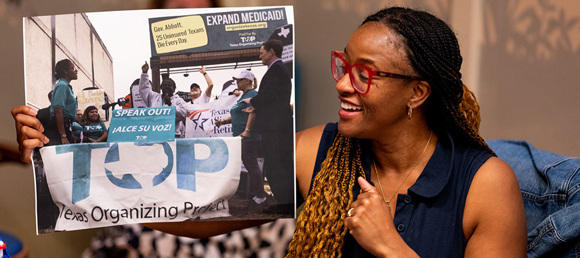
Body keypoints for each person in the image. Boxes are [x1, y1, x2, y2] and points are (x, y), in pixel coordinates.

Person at [11, 6, 528, 257]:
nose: (344, 84)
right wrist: (58, 165)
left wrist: (390, 247)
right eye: (342, 65)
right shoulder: (318, 153)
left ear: (417, 93)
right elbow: (199, 215)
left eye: (365, 73)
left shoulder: (487, 186)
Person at [244, 39, 294, 210]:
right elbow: (274, 98)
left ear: (271, 51)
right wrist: (256, 106)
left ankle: (285, 204)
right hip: (276, 127)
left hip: (276, 129)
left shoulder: (277, 70)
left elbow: (268, 96)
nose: (260, 56)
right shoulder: (278, 70)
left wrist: (253, 100)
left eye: (262, 52)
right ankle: (283, 203)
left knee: (276, 167)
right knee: (275, 167)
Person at [215, 70, 267, 205]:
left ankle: (260, 196)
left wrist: (247, 130)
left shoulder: (253, 95)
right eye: (237, 80)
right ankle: (258, 195)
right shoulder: (243, 96)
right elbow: (237, 114)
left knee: (251, 165)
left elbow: (253, 113)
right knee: (250, 165)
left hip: (248, 137)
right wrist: (223, 122)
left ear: (248, 81)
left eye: (240, 80)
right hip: (242, 137)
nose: (237, 82)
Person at [138, 62, 188, 138]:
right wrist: (144, 74)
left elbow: (183, 113)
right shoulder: (154, 97)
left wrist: (171, 104)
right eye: (164, 85)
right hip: (156, 134)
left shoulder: (179, 100)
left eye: (169, 85)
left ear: (174, 89)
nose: (166, 87)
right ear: (161, 88)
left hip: (173, 135)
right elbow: (144, 89)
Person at [50, 59, 78, 145]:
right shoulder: (62, 85)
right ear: (65, 71)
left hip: (67, 124)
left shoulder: (66, 86)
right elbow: (58, 111)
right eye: (72, 68)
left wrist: (71, 133)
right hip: (61, 125)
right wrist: (63, 136)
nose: (76, 71)